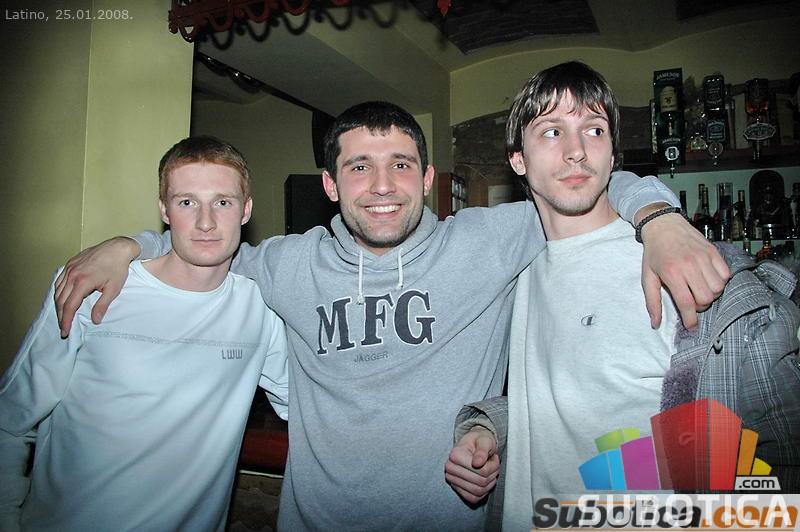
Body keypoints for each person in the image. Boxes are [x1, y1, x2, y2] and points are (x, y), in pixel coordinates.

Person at [51, 101, 729, 531]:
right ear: (330, 184)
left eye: (401, 165)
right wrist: (130, 245)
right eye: (359, 168)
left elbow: (584, 181)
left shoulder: (488, 242)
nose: (382, 186)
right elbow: (204, 238)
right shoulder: (287, 263)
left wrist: (660, 219)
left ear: (427, 179)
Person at [445, 62, 800, 530]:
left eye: (594, 130)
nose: (576, 151)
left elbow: (780, 475)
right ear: (518, 161)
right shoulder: (518, 267)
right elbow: (573, 402)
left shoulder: (688, 270)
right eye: (551, 131)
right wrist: (489, 426)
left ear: (614, 155)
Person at [0, 136, 289, 531]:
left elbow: (309, 405)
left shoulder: (261, 309)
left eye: (223, 202)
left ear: (246, 210)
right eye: (187, 202)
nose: (206, 222)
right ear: (164, 210)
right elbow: (10, 421)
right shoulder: (90, 289)